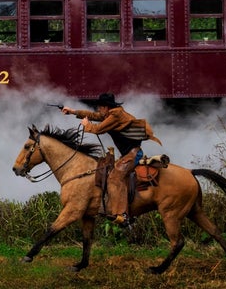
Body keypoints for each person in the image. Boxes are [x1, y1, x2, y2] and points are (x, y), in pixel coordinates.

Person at [61, 91, 161, 223]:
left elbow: (98, 129)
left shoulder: (116, 115)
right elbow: (94, 115)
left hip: (132, 154)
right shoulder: (111, 113)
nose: (98, 109)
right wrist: (73, 112)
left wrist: (87, 125)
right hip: (127, 154)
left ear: (106, 107)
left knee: (115, 178)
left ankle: (122, 215)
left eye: (100, 106)